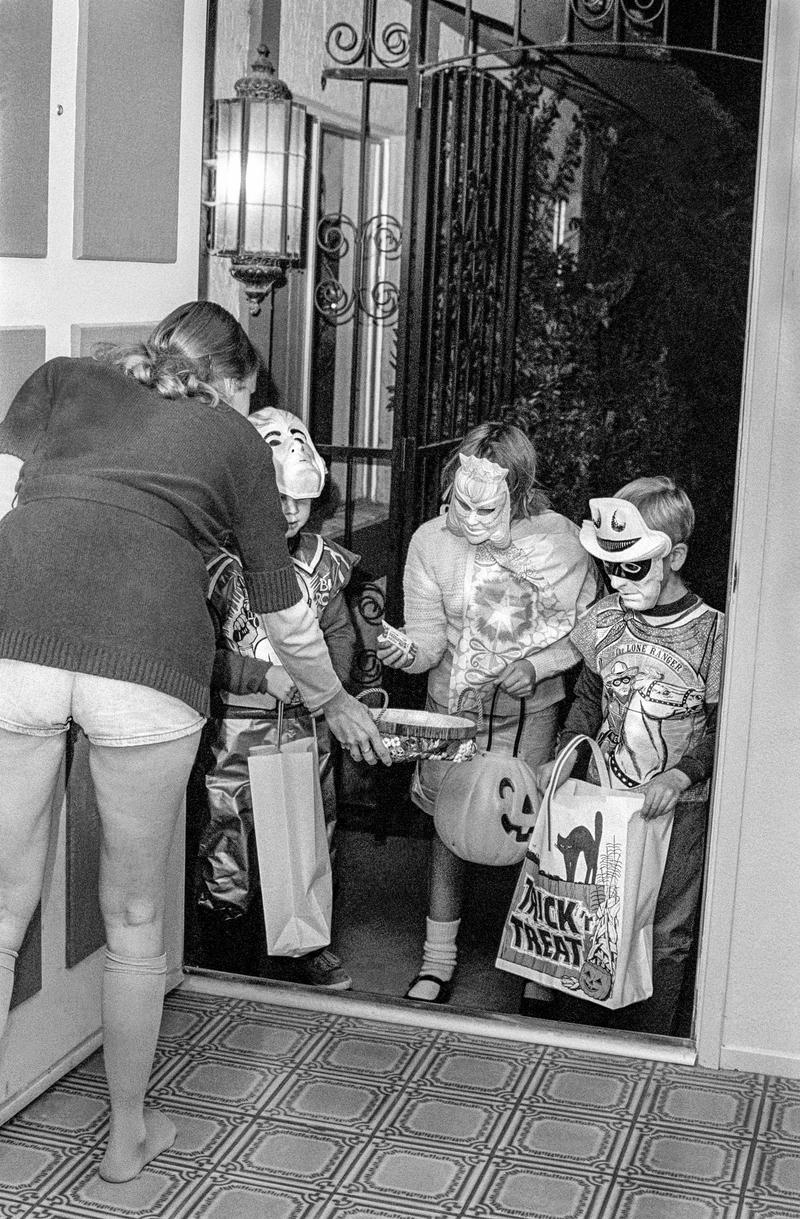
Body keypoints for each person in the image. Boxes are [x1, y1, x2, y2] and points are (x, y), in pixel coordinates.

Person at [0, 301, 389, 1184]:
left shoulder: (61, 379)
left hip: (13, 635)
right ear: (233, 381)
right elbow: (286, 608)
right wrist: (333, 702)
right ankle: (125, 1139)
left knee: (0, 909)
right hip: (147, 660)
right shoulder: (235, 440)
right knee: (135, 919)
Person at [378, 420, 597, 1004]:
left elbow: (589, 630)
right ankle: (436, 961)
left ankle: (538, 971)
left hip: (530, 713)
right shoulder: (430, 542)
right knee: (449, 830)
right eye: (461, 505)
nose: (471, 522)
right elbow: (427, 645)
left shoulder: (561, 543)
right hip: (453, 711)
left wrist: (541, 664)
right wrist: (407, 653)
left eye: (488, 509)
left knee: (534, 829)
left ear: (520, 494)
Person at [537, 476, 725, 1035]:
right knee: (597, 919)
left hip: (679, 810)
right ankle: (588, 1035)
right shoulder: (604, 621)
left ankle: (657, 1042)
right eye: (609, 565)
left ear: (676, 556)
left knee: (666, 931)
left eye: (633, 566)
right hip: (607, 801)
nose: (618, 579)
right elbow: (590, 697)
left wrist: (682, 772)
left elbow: (724, 726)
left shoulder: (715, 635)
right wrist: (566, 755)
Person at [199, 406, 359, 990]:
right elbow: (199, 652)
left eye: (301, 501)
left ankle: (302, 945)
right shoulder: (217, 565)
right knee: (229, 836)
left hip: (306, 728)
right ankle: (227, 948)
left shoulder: (325, 565)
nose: (289, 513)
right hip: (234, 733)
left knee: (308, 827)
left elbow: (339, 631)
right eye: (277, 499)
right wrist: (256, 676)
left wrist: (328, 689)